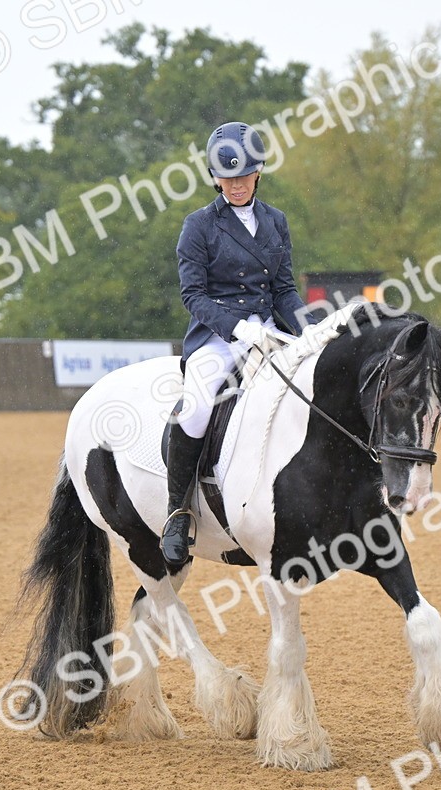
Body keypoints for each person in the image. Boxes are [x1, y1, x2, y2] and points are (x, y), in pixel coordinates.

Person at [160, 121, 314, 567]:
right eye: (228, 178)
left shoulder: (275, 221)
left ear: (258, 173)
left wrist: (309, 329)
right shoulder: (199, 226)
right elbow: (193, 295)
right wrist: (238, 327)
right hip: (219, 336)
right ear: (215, 178)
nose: (237, 185)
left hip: (270, 331)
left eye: (244, 176)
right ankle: (177, 512)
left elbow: (284, 290)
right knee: (197, 405)